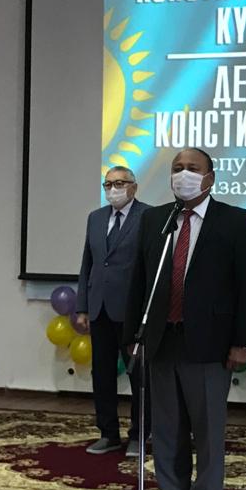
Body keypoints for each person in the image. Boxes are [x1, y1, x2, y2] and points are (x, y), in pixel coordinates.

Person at [123, 148, 246, 490]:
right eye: (177, 168)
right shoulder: (155, 219)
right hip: (162, 341)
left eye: (193, 168)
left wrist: (242, 342)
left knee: (207, 431)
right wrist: (132, 336)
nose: (184, 174)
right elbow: (139, 281)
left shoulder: (234, 221)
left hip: (209, 344)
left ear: (210, 178)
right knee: (167, 430)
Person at [75, 167, 151, 457]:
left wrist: (147, 312)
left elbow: (152, 266)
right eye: (108, 184)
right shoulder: (95, 218)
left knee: (139, 377)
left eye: (119, 183)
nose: (113, 189)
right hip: (100, 308)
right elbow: (89, 263)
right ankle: (108, 433)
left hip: (132, 311)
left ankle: (139, 435)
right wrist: (83, 306)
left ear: (134, 187)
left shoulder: (148, 216)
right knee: (102, 374)